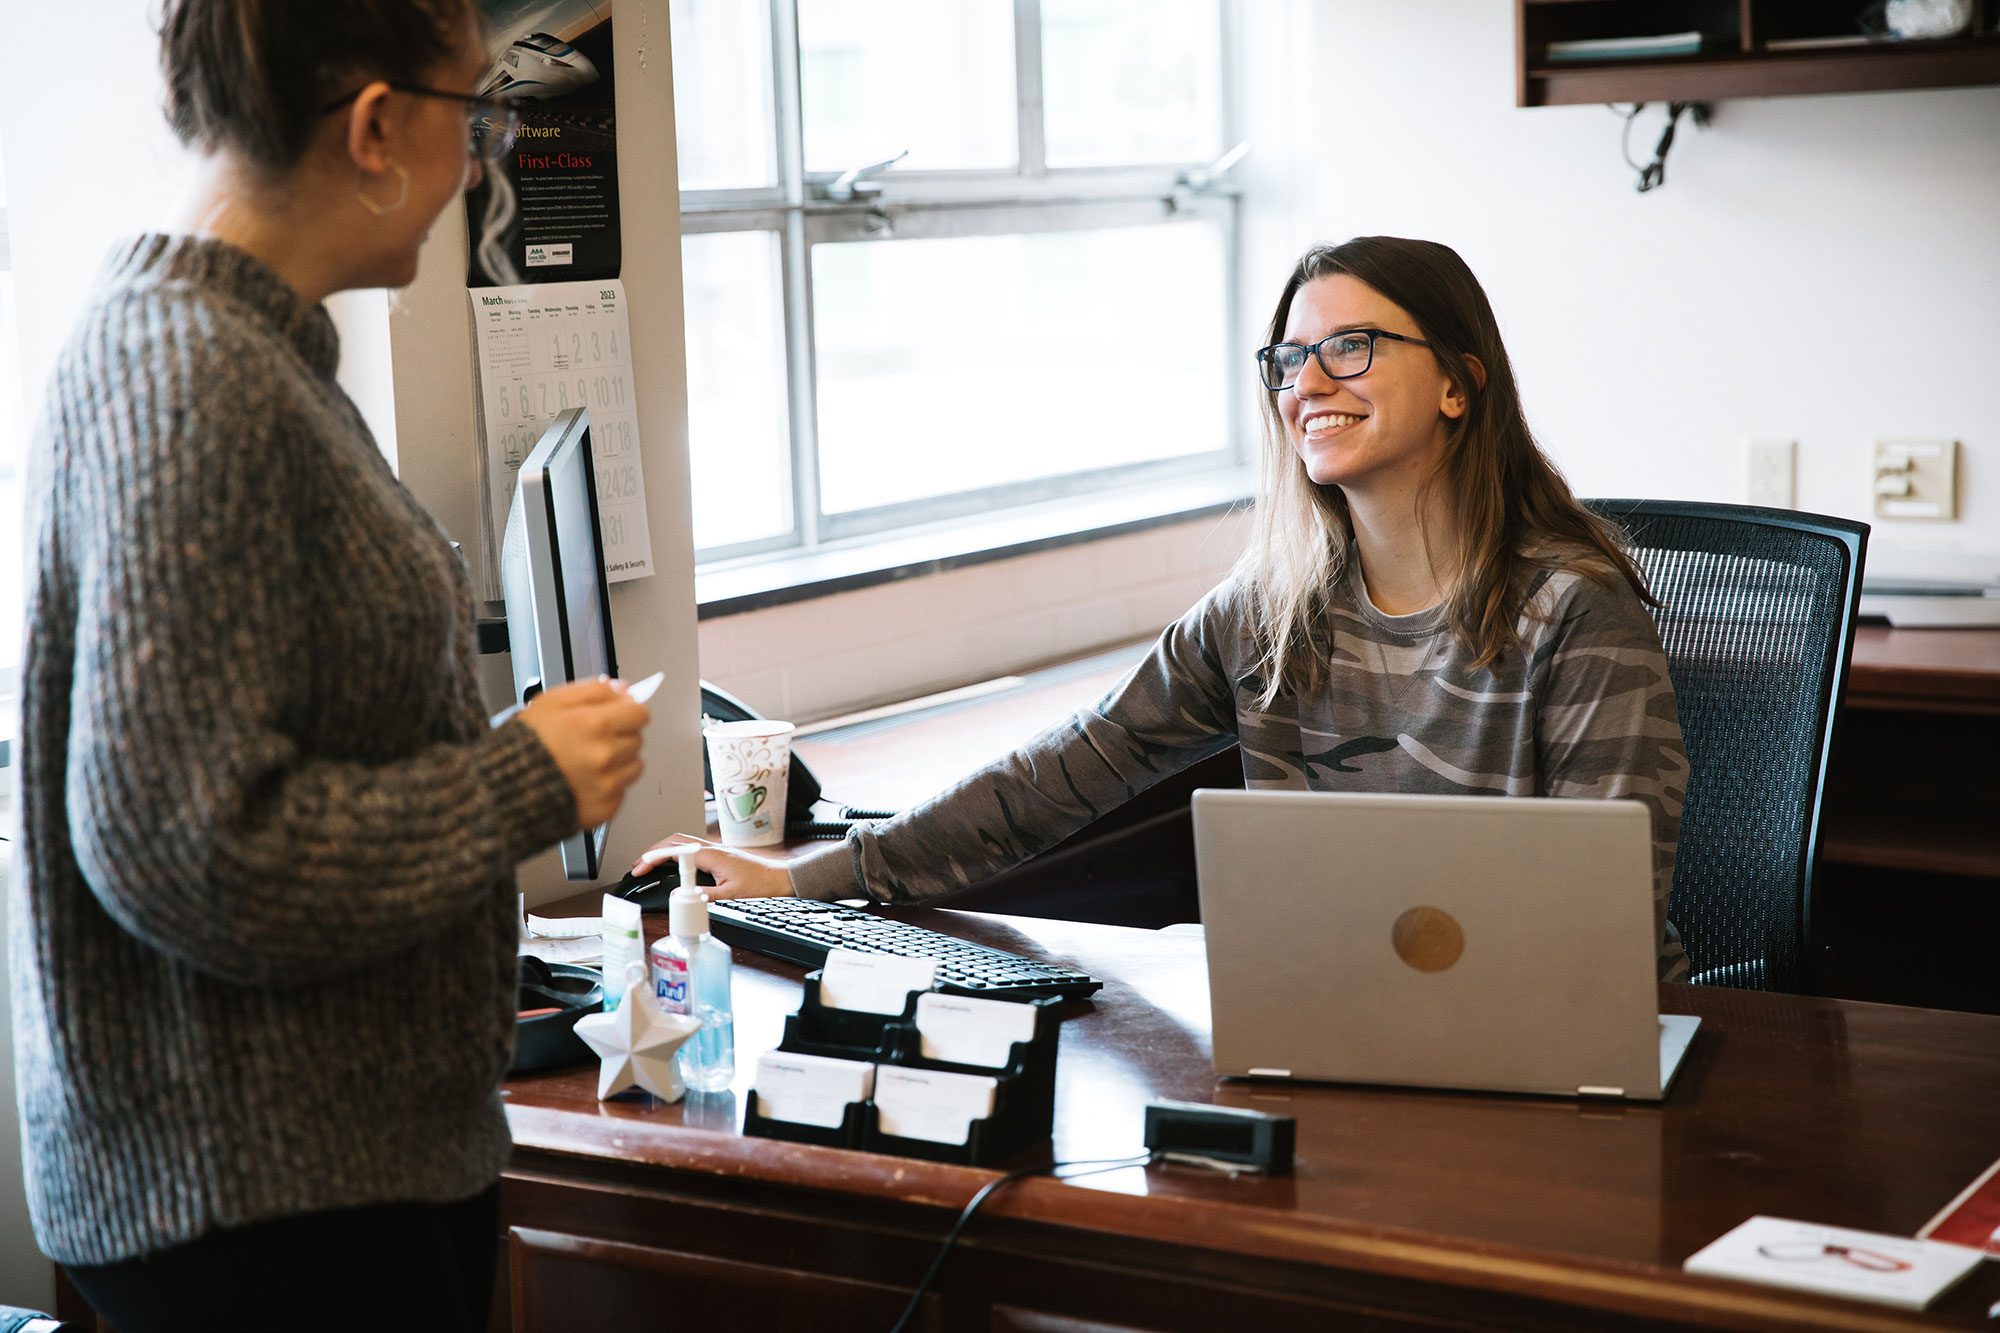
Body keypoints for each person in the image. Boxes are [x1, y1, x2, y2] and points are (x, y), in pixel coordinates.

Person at [13, 2, 652, 1328]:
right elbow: (187, 843)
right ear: (375, 130)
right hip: (267, 1210)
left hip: (328, 1180)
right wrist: (516, 785)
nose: (480, 165)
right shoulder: (190, 374)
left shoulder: (251, 358)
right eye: (472, 119)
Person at [641, 236, 1690, 980]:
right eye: (1288, 358)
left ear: (1458, 384)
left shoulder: (1569, 615)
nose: (1307, 380)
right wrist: (808, 879)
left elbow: (1604, 920)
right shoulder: (1268, 612)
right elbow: (1063, 772)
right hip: (1330, 1016)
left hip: (1556, 1040)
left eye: (1351, 346)